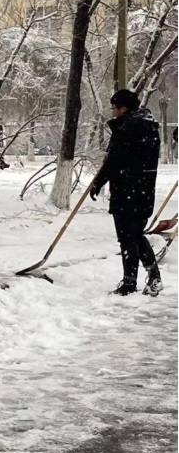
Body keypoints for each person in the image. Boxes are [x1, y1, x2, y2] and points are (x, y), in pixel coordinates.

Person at [91, 89, 162, 297]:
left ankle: (130, 283)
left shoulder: (127, 128)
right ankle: (153, 277)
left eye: (114, 108)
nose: (113, 112)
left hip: (126, 188)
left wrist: (98, 182)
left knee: (127, 237)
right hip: (144, 188)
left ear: (124, 108)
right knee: (135, 235)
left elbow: (116, 161)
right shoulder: (149, 126)